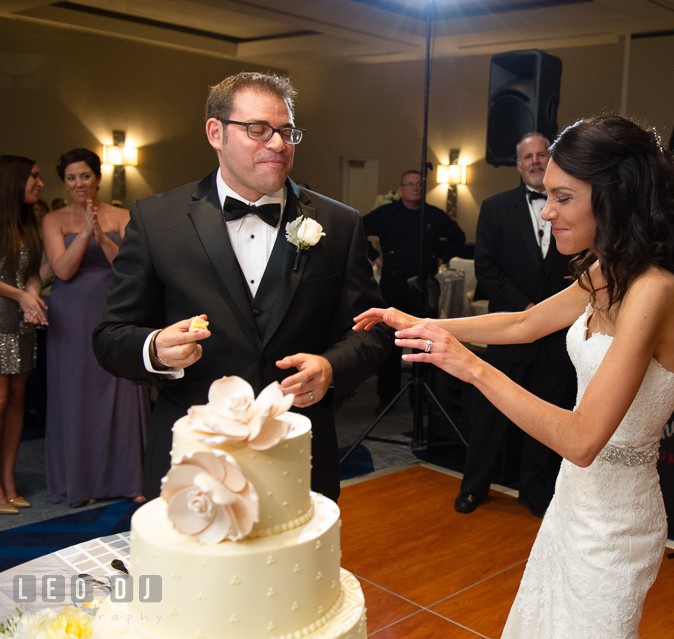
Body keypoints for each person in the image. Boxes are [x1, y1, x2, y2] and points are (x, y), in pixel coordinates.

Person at [355, 115, 674, 638]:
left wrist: (471, 366)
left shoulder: (655, 290)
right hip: (573, 500)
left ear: (615, 195)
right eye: (546, 196)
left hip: (616, 524)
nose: (548, 213)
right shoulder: (607, 271)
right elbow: (526, 323)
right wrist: (424, 323)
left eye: (563, 197)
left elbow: (581, 439)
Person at [92, 72, 391, 502]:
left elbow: (373, 331)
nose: (278, 144)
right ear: (216, 132)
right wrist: (155, 347)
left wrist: (331, 368)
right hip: (194, 452)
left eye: (287, 132)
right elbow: (110, 337)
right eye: (258, 130)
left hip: (299, 449)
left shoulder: (340, 223)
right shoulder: (157, 221)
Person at [454, 132, 576, 518]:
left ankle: (534, 492)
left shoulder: (573, 207)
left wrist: (551, 316)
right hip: (510, 331)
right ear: (518, 164)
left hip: (558, 339)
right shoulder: (495, 207)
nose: (536, 161)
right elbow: (488, 270)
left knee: (546, 416)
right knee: (490, 416)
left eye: (543, 154)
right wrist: (528, 311)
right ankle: (474, 488)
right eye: (529, 156)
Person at [42, 148, 151, 506]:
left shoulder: (123, 214)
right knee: (77, 393)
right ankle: (82, 483)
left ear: (98, 178)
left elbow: (129, 267)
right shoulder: (54, 220)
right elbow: (62, 270)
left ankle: (130, 477)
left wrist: (101, 237)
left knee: (121, 388)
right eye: (71, 178)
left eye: (84, 176)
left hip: (115, 308)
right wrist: (84, 231)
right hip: (71, 313)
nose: (78, 184)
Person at [362, 169, 465, 411]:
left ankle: (421, 396)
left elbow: (458, 237)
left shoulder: (433, 215)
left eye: (419, 184)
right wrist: (375, 257)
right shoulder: (387, 213)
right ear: (401, 189)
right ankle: (386, 397)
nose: (415, 188)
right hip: (393, 285)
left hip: (423, 286)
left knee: (425, 341)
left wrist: (439, 259)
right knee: (389, 342)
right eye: (409, 184)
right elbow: (359, 230)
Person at [0, 156, 48, 515]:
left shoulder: (28, 221)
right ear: (14, 179)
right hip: (0, 321)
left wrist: (32, 293)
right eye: (34, 176)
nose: (40, 183)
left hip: (21, 324)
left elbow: (32, 272)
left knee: (17, 399)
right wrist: (21, 295)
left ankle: (9, 481)